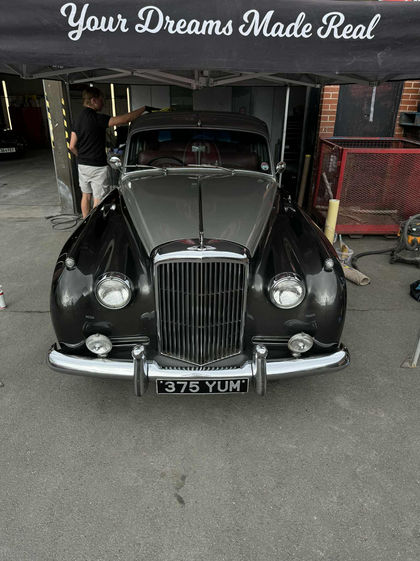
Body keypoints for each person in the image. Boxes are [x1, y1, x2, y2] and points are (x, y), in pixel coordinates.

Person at [70, 86, 156, 217]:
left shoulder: (78, 119)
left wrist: (82, 157)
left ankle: (85, 223)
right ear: (93, 100)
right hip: (97, 167)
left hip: (82, 166)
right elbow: (125, 119)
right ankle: (95, 225)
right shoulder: (96, 118)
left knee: (85, 196)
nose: (103, 103)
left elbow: (72, 146)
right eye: (101, 100)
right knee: (98, 199)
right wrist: (143, 109)